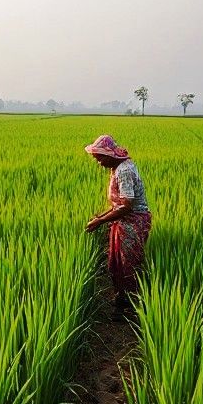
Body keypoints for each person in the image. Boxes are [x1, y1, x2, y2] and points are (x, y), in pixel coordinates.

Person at [84, 135, 151, 319]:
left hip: (133, 222)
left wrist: (100, 221)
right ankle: (122, 299)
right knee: (116, 263)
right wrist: (102, 217)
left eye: (100, 158)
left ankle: (131, 310)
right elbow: (119, 205)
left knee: (127, 264)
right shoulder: (117, 168)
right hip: (123, 220)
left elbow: (127, 205)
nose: (99, 163)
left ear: (109, 155)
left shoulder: (124, 171)